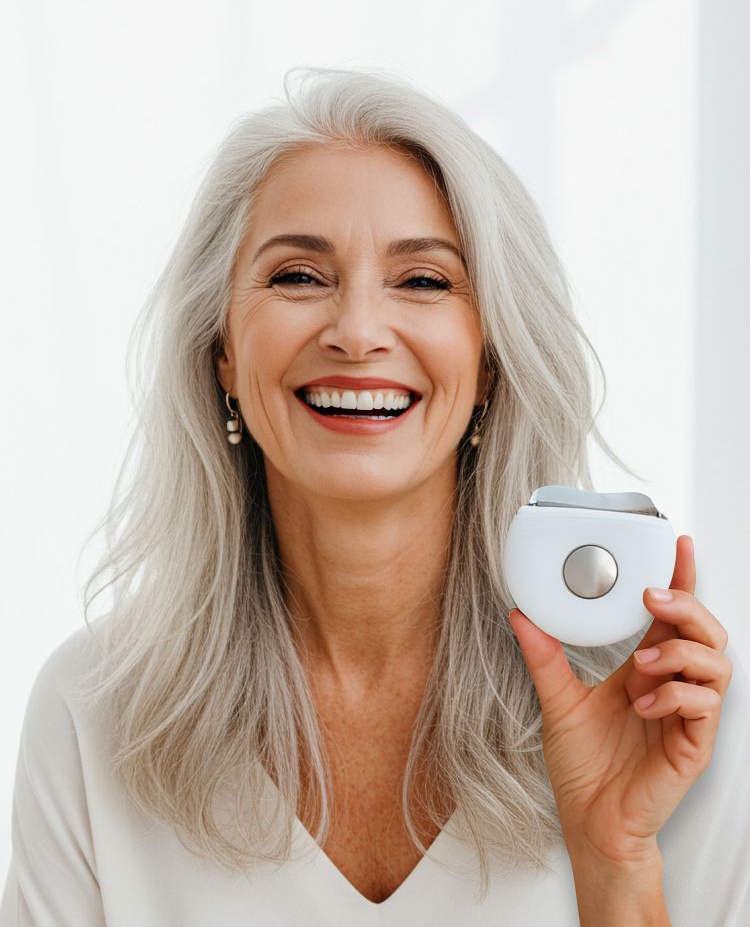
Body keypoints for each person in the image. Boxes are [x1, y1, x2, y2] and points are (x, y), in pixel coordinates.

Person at [1, 67, 748, 927]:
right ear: (223, 356)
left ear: (491, 363)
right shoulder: (95, 709)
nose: (356, 332)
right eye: (297, 277)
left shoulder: (662, 707)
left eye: (424, 281)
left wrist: (615, 862)